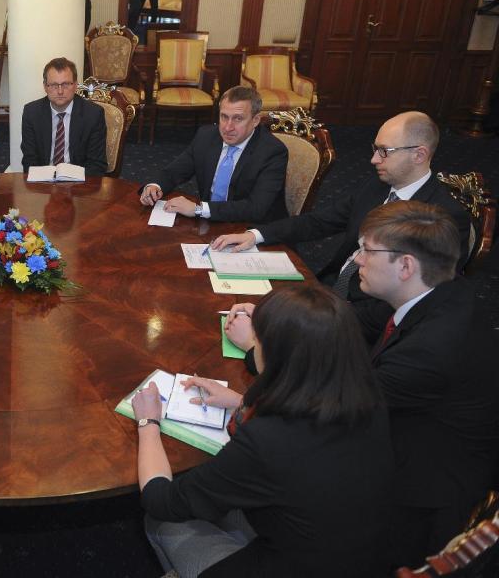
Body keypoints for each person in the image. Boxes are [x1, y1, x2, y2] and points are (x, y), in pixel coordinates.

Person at [132, 284, 393, 577]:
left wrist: (149, 423)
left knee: (159, 523)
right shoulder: (368, 398)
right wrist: (240, 402)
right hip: (357, 553)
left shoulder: (267, 440)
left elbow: (162, 501)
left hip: (289, 564)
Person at [352, 201, 499, 567]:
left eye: (367, 250)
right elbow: (357, 320)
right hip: (417, 438)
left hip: (417, 500)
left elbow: (342, 402)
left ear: (405, 266)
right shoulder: (440, 291)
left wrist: (262, 350)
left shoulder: (431, 351)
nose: (357, 259)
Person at [211, 111, 471, 301]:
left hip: (363, 317)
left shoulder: (444, 218)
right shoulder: (376, 187)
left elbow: (417, 302)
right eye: (375, 149)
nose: (373, 159)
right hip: (331, 286)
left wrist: (324, 320)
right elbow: (318, 222)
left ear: (419, 154)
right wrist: (255, 235)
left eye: (384, 151)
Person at [139, 85, 288, 223]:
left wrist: (199, 210)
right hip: (209, 222)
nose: (228, 127)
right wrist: (154, 186)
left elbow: (255, 208)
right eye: (224, 117)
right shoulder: (206, 136)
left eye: (238, 118)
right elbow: (175, 171)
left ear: (255, 120)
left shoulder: (272, 152)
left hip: (249, 228)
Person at [20, 57, 107, 176]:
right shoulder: (32, 113)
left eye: (66, 84)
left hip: (79, 183)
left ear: (75, 85)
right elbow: (29, 161)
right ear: (45, 86)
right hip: (43, 182)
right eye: (54, 85)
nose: (60, 91)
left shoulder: (93, 114)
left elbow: (97, 165)